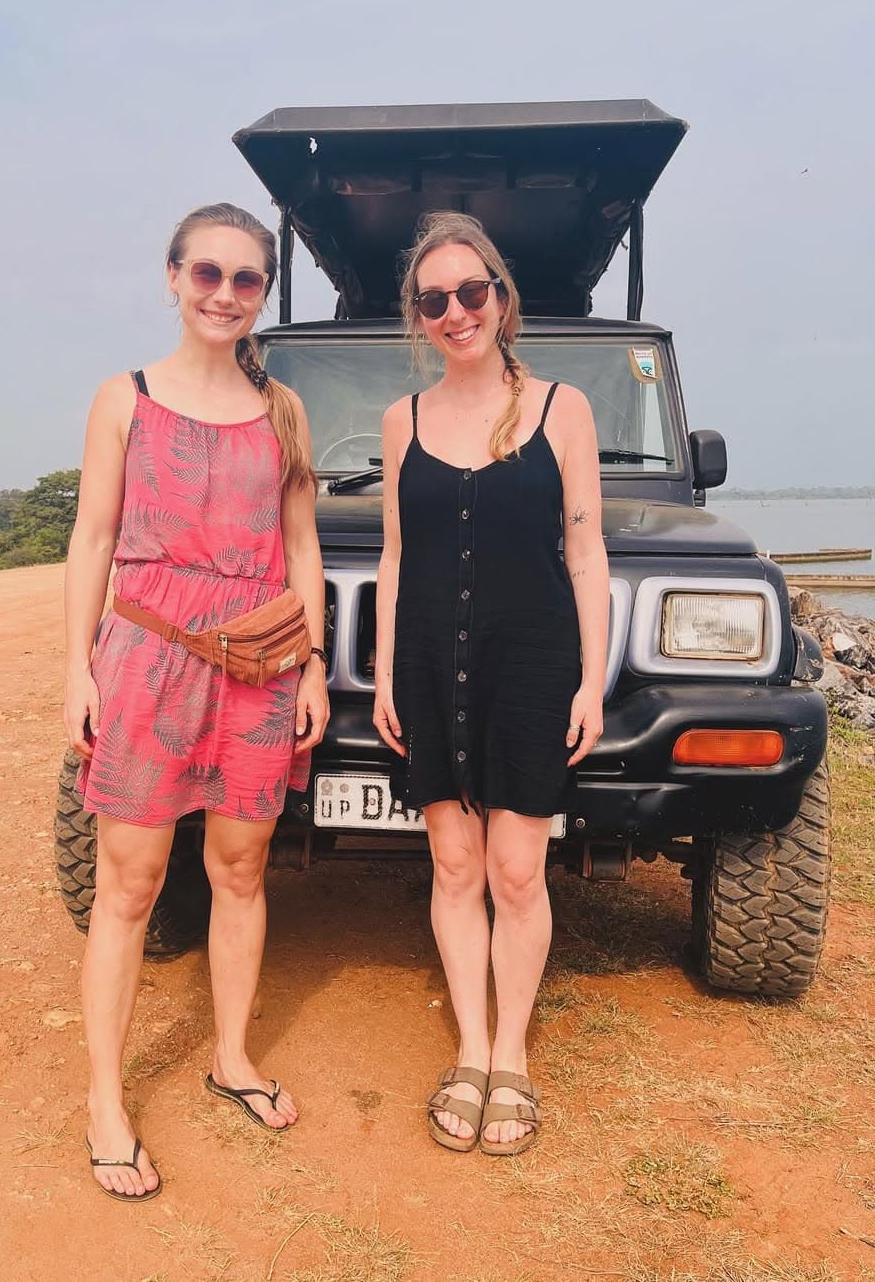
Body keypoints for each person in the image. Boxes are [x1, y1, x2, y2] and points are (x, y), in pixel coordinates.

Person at [63, 203, 329, 1201]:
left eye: (246, 278)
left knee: (242, 867)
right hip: (147, 658)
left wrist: (310, 665)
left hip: (258, 666)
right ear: (173, 279)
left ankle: (232, 1055)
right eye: (207, 273)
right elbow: (93, 539)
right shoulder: (123, 399)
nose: (225, 293)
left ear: (264, 294)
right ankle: (104, 1100)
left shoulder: (284, 412)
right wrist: (77, 666)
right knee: (127, 887)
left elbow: (300, 548)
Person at [373, 211, 608, 1155]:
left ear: (501, 298)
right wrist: (389, 670)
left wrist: (593, 679)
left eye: (473, 292)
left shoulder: (562, 408)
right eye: (435, 300)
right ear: (419, 318)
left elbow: (585, 551)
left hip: (532, 661)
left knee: (516, 869)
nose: (456, 311)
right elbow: (395, 555)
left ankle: (511, 1054)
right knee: (454, 866)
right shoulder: (404, 420)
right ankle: (469, 1050)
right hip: (432, 658)